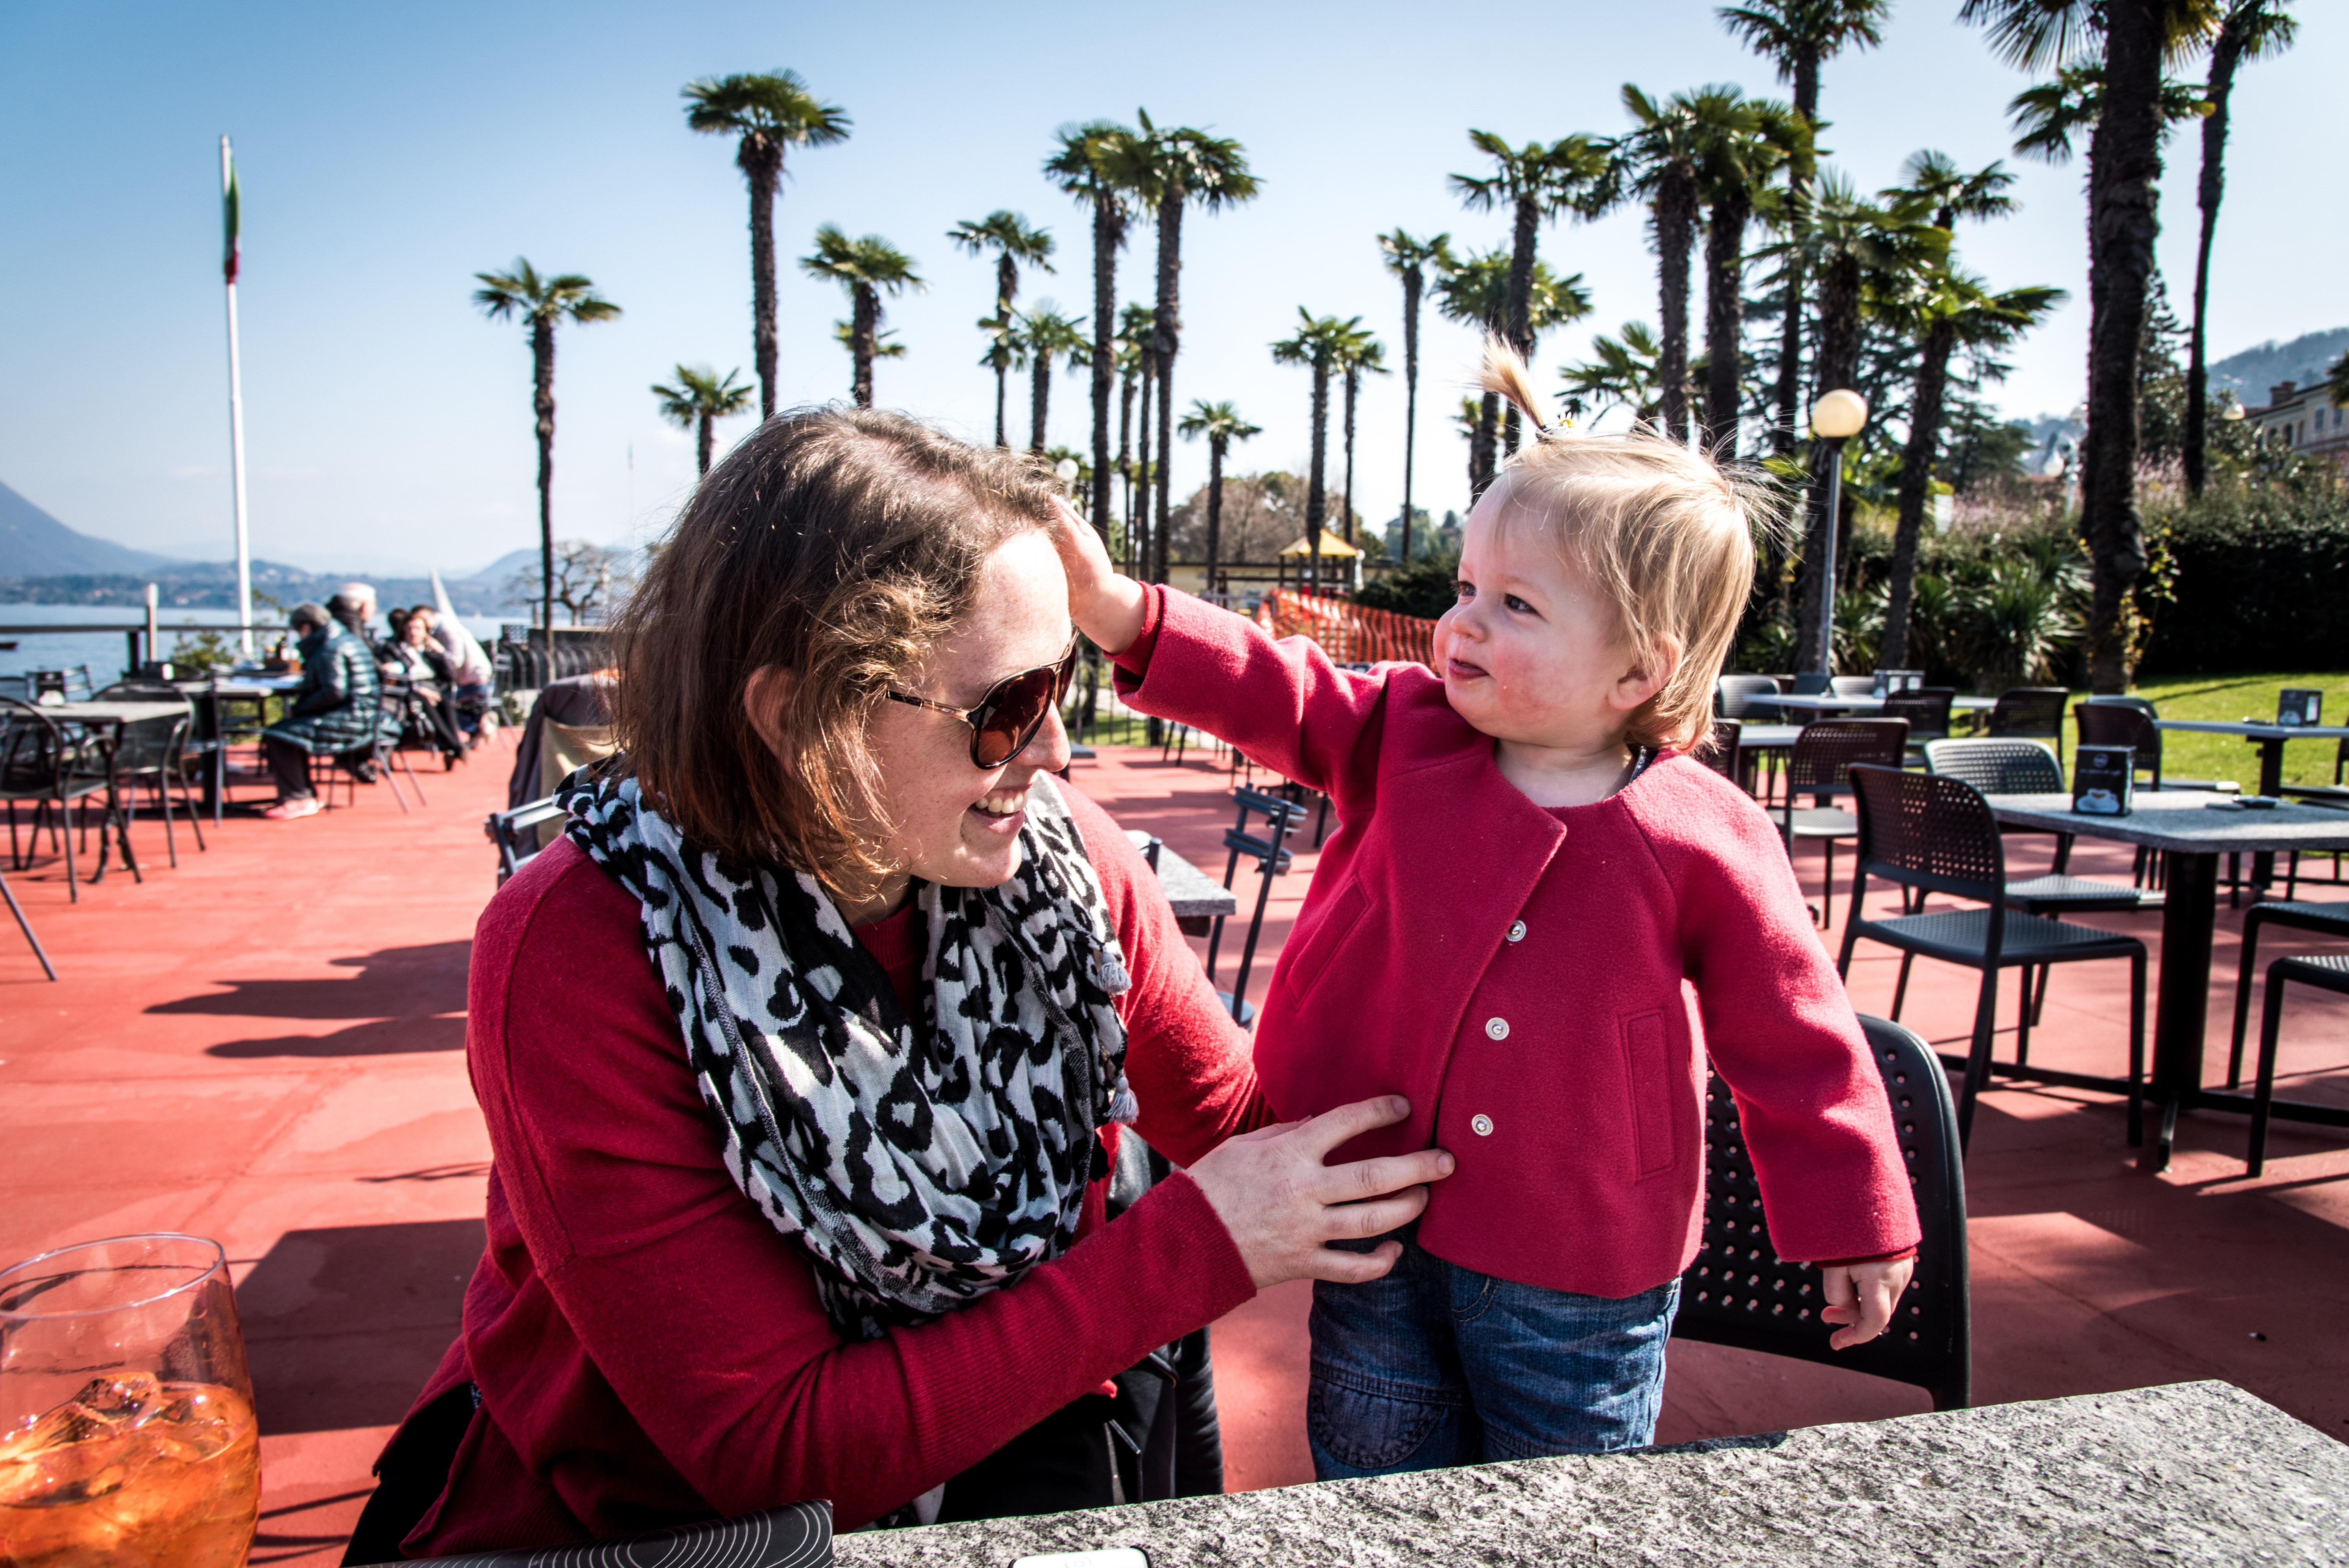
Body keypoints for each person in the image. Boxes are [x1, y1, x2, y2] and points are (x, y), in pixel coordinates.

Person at [347, 408, 1453, 1562]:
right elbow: (769, 1449)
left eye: (1062, 681)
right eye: (1005, 709)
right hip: (641, 1521)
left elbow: (1253, 1130)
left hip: (1010, 1443)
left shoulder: (1062, 866)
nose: (1057, 751)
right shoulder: (585, 946)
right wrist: (1193, 1246)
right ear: (795, 720)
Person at [1050, 342, 1919, 1478]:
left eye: (1513, 604)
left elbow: (1796, 1036)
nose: (1459, 624)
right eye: (1464, 589)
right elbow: (1281, 687)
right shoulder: (1405, 730)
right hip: (1379, 1215)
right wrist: (1122, 612)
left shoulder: (1700, 828)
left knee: (1557, 1505)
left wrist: (1856, 1212)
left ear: (1636, 671)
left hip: (1583, 1266)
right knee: (1375, 1471)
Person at [258, 601, 383, 820]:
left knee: (277, 734)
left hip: (351, 719)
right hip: (366, 716)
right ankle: (303, 795)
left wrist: (301, 708)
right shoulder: (347, 639)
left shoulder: (329, 647)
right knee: (289, 731)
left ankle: (298, 798)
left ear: (306, 627)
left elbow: (334, 692)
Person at [385, 606, 467, 764]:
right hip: (410, 691)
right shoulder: (395, 650)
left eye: (418, 629)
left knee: (446, 704)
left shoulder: (428, 652)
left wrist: (442, 653)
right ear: (403, 630)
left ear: (426, 632)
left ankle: (452, 745)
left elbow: (450, 676)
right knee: (425, 703)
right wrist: (418, 689)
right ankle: (455, 746)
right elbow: (397, 676)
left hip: (432, 688)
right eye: (410, 629)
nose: (414, 633)